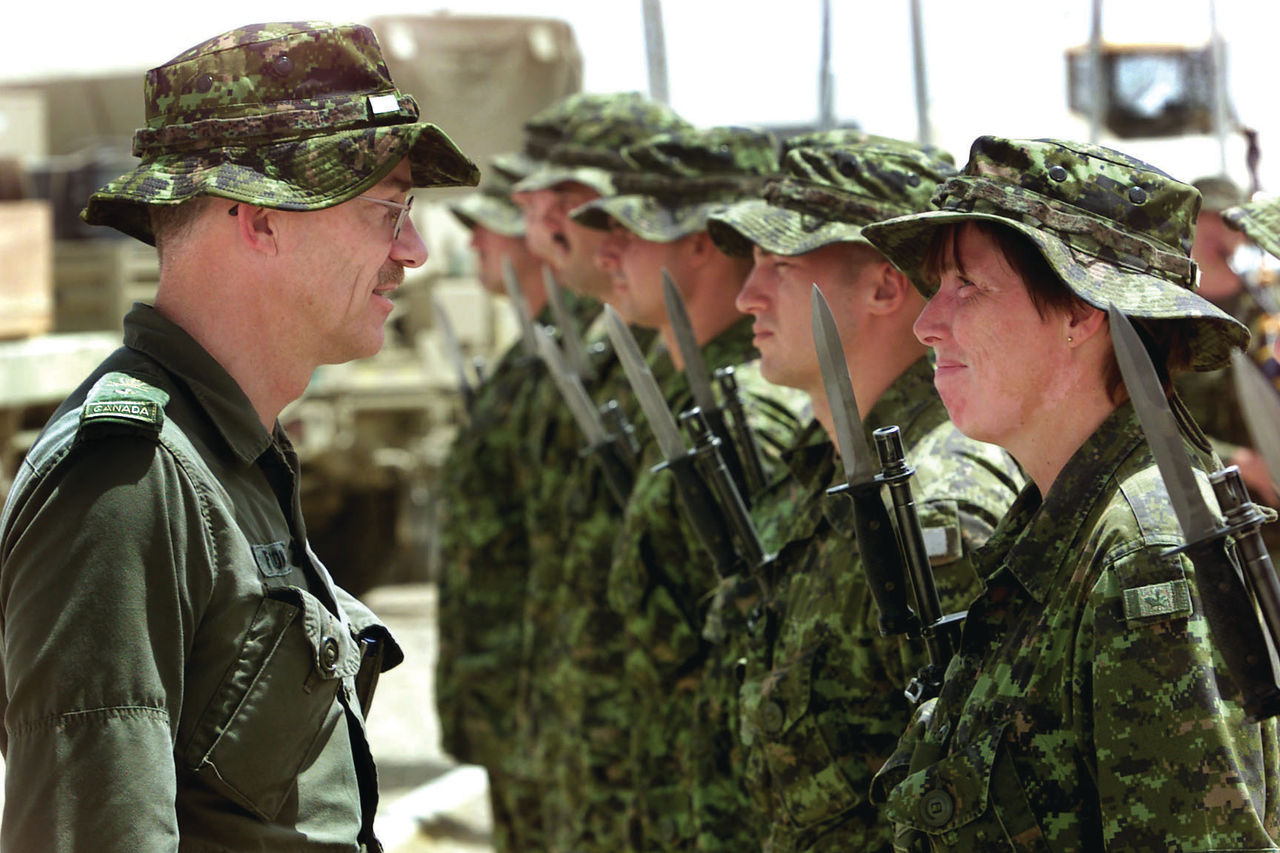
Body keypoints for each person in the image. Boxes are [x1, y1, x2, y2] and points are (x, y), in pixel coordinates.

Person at [0, 21, 478, 851]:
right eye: (387, 209)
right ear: (260, 217)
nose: (415, 250)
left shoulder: (231, 454)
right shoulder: (126, 481)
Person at [860, 135, 1279, 851]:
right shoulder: (1067, 522)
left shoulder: (1147, 555)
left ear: (1083, 311)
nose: (927, 324)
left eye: (967, 286)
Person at [703, 135, 1026, 851]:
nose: (746, 295)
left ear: (883, 287)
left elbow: (970, 796)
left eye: (781, 266)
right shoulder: (820, 465)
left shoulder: (933, 504)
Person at [571, 124, 808, 851]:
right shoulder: (690, 396)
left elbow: (763, 657)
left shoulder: (745, 415)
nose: (607, 253)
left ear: (702, 242)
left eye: (633, 231)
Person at [434, 164, 550, 853]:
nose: (474, 242)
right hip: (511, 692)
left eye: (491, 229)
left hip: (542, 695)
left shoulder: (564, 363)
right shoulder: (525, 357)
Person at [1175, 176, 1280, 510]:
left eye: (1225, 219)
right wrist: (1232, 458)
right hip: (1211, 501)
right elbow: (1149, 418)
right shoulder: (1167, 318)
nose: (1213, 229)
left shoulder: (1269, 305)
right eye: (1203, 218)